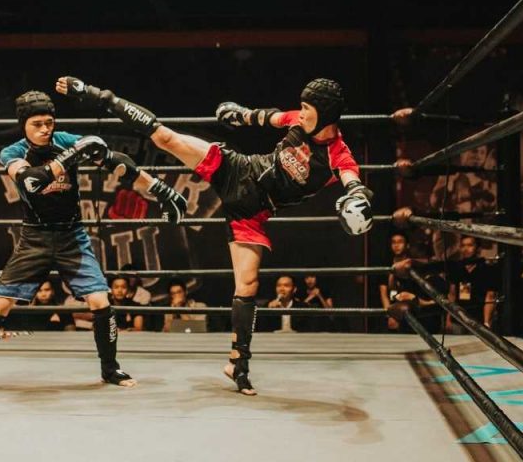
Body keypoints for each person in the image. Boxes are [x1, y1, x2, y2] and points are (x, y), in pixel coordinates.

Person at [57, 76, 372, 395]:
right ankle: (96, 95)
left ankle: (239, 363)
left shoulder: (338, 156)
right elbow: (265, 116)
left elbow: (352, 180)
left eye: (307, 109)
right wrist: (239, 113)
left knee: (247, 285)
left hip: (252, 212)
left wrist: (358, 197)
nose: (301, 114)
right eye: (301, 107)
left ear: (326, 114)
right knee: (166, 138)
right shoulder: (296, 121)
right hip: (237, 169)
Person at [0, 90, 187, 390]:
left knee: (100, 301)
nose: (46, 128)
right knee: (0, 305)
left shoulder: (66, 139)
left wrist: (159, 189)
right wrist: (72, 155)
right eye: (38, 124)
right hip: (35, 238)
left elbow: (115, 163)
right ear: (24, 126)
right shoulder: (13, 152)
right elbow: (31, 182)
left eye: (50, 122)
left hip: (73, 235)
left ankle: (110, 369)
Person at [445, 235, 497, 331]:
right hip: (458, 319)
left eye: (470, 245)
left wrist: (487, 322)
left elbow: (490, 296)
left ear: (477, 248)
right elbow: (452, 295)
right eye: (463, 245)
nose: (466, 249)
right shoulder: (456, 268)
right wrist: (448, 319)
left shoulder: (487, 269)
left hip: (478, 321)